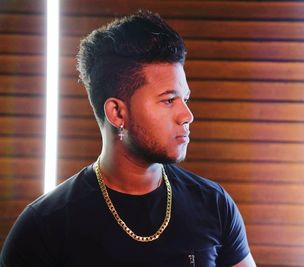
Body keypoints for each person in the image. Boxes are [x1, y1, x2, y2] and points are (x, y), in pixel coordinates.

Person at [0, 10, 256, 267]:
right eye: (169, 100)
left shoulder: (214, 204)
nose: (187, 115)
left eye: (184, 99)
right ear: (117, 112)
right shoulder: (43, 228)